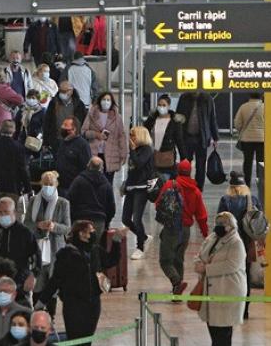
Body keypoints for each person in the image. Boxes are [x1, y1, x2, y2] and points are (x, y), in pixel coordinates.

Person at [39, 221, 121, 346]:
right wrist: (42, 302)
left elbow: (111, 261)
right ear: (81, 234)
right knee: (75, 340)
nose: (92, 234)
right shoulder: (66, 254)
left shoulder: (95, 250)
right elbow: (56, 280)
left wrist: (116, 241)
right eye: (90, 231)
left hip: (93, 304)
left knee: (86, 341)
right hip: (73, 305)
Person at [194, 212, 248, 346]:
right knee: (215, 328)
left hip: (228, 291)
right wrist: (198, 264)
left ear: (231, 226)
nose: (220, 226)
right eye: (218, 222)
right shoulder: (212, 237)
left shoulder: (236, 243)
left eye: (224, 223)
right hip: (212, 291)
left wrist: (207, 269)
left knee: (222, 331)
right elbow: (201, 253)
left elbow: (232, 265)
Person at [156, 159, 209, 295]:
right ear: (190, 172)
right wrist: (205, 234)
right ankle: (177, 291)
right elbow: (201, 216)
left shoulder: (170, 185)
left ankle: (176, 282)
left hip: (171, 228)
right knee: (178, 259)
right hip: (185, 231)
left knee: (165, 260)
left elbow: (158, 204)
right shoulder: (195, 191)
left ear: (178, 170)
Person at [218, 171, 263, 319]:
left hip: (231, 244)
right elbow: (260, 223)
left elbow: (219, 225)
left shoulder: (226, 200)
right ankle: (245, 310)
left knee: (231, 275)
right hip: (248, 243)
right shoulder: (253, 199)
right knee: (246, 276)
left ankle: (232, 307)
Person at [23, 171, 70, 312]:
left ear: (56, 185)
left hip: (55, 248)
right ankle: (37, 311)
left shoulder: (63, 203)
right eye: (45, 184)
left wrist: (54, 226)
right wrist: (38, 225)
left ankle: (51, 314)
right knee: (38, 280)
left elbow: (67, 228)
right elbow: (26, 224)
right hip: (37, 246)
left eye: (51, 184)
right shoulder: (33, 201)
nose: (48, 187)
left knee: (52, 280)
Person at [0, 198, 41, 295]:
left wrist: (33, 276)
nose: (3, 215)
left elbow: (36, 256)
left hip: (19, 284)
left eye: (6, 212)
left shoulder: (25, 233)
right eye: (0, 212)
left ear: (14, 213)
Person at [122, 126, 156, 260]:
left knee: (136, 219)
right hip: (131, 187)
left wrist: (132, 150)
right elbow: (131, 169)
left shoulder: (146, 149)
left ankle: (140, 246)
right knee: (125, 218)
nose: (131, 138)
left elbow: (139, 163)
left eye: (133, 135)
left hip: (141, 189)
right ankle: (144, 237)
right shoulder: (134, 151)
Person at [176, 92, 220, 192]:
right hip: (186, 137)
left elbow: (212, 118)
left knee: (200, 166)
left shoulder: (207, 99)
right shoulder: (184, 97)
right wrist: (177, 135)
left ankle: (198, 189)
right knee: (185, 165)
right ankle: (184, 187)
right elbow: (177, 117)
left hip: (202, 138)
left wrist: (215, 137)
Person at [81, 92, 128, 185]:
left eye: (108, 100)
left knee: (107, 183)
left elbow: (121, 136)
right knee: (93, 181)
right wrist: (96, 134)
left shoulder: (117, 117)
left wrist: (124, 154)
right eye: (104, 99)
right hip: (94, 153)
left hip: (111, 154)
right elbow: (84, 131)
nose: (106, 102)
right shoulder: (91, 114)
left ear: (111, 102)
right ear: (100, 101)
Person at [67, 157, 115, 237]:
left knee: (78, 245)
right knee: (95, 247)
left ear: (88, 165)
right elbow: (111, 207)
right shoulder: (107, 184)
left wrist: (72, 217)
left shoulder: (79, 180)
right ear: (101, 168)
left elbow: (70, 199)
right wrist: (106, 221)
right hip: (99, 220)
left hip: (80, 218)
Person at [0, 120, 30, 200]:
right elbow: (23, 169)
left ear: (0, 128)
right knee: (10, 211)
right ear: (14, 130)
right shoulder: (19, 147)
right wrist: (28, 188)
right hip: (13, 188)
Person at [144, 94, 186, 180]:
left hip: (168, 158)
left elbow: (179, 141)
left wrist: (184, 158)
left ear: (168, 106)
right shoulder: (153, 119)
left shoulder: (174, 122)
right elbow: (144, 130)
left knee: (166, 183)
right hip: (154, 156)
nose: (161, 107)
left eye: (164, 105)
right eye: (159, 105)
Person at [234, 92, 266, 194]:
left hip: (247, 139)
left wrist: (242, 131)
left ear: (249, 95)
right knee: (260, 162)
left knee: (247, 162)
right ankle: (260, 183)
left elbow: (237, 123)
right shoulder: (265, 107)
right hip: (261, 139)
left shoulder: (243, 107)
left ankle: (247, 185)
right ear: (261, 96)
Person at [43, 82, 87, 153]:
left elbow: (84, 122)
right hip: (57, 140)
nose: (62, 93)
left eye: (65, 91)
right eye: (60, 91)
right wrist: (45, 142)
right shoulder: (53, 103)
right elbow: (47, 122)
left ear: (71, 91)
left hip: (74, 140)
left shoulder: (79, 105)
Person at [55, 117, 92, 198]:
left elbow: (86, 168)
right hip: (60, 186)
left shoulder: (83, 145)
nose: (62, 127)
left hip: (73, 188)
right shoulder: (63, 142)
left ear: (74, 129)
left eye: (65, 125)